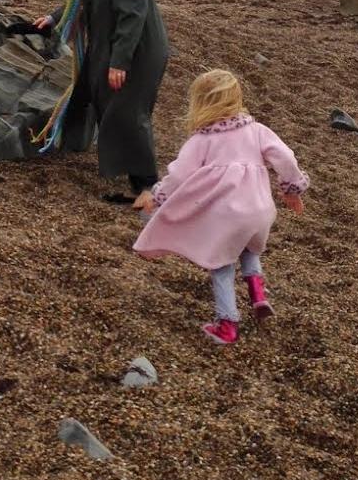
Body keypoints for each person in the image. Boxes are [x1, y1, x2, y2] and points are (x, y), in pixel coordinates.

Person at [132, 69, 309, 346]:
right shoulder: (258, 130)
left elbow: (178, 175)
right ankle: (258, 294)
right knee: (249, 246)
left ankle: (227, 324)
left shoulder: (202, 140)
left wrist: (159, 196)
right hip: (260, 210)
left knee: (222, 263)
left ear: (200, 104)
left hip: (226, 215)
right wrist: (292, 188)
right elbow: (285, 158)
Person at [32, 0, 168, 203]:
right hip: (112, 45)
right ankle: (73, 144)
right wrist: (55, 17)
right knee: (93, 93)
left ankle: (147, 186)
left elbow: (132, 16)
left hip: (137, 52)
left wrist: (120, 62)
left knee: (128, 111)